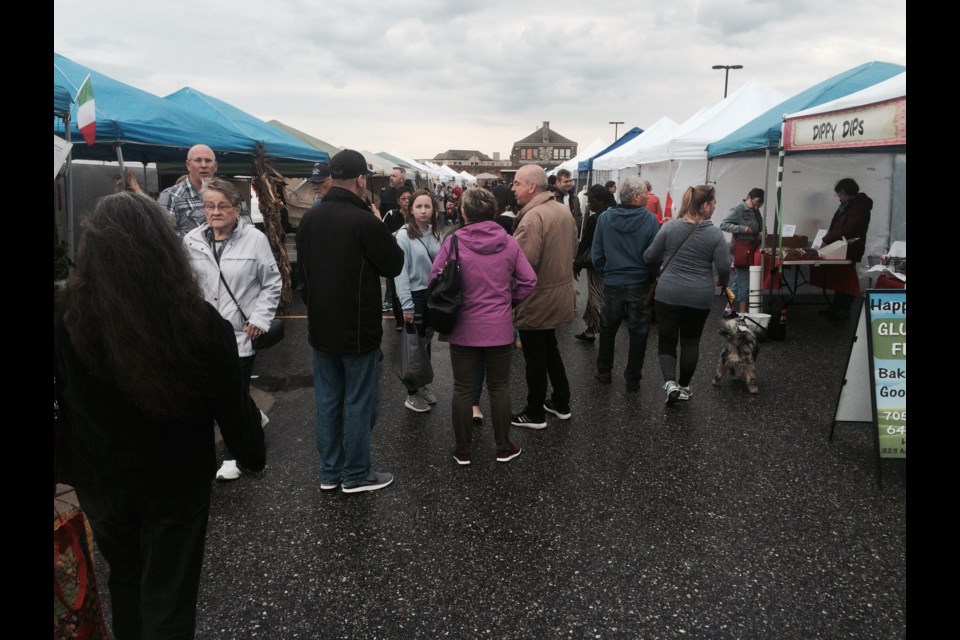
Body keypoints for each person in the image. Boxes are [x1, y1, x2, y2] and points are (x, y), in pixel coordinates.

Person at [54, 192, 266, 638]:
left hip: (101, 479)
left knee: (126, 577)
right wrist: (251, 453)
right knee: (170, 590)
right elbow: (232, 402)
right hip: (176, 482)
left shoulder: (64, 315)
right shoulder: (200, 322)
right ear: (165, 250)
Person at [296, 149, 404, 493]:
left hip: (320, 325)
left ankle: (330, 472)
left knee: (328, 401)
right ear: (361, 179)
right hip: (357, 326)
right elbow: (394, 265)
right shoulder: (363, 220)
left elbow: (305, 275)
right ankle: (356, 474)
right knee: (359, 401)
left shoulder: (311, 219)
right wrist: (378, 222)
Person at [184, 177, 281, 480]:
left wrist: (260, 319)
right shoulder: (191, 241)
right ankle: (251, 419)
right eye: (209, 206)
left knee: (230, 396)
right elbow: (184, 284)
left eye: (222, 206)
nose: (215, 212)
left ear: (237, 208)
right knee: (223, 393)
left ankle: (237, 456)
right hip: (203, 334)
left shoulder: (255, 239)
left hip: (240, 334)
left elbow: (271, 283)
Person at [432, 187, 537, 464]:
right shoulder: (509, 242)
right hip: (499, 326)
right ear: (493, 212)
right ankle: (503, 447)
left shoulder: (453, 242)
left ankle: (462, 450)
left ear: (464, 213)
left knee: (463, 389)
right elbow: (529, 281)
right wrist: (508, 302)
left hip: (463, 327)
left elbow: (435, 279)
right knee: (500, 387)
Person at [643, 185, 730, 405]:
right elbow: (723, 267)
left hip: (668, 293)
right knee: (691, 342)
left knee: (667, 340)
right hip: (699, 296)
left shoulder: (670, 227)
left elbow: (649, 256)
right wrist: (723, 282)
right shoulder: (715, 234)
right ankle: (684, 386)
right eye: (713, 203)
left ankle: (670, 383)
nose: (715, 207)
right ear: (704, 206)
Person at [509, 165, 578, 429]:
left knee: (535, 356)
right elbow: (573, 247)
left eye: (517, 183)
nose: (513, 188)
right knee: (549, 350)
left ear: (531, 187)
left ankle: (535, 412)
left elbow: (522, 264)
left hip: (536, 298)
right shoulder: (562, 210)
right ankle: (561, 402)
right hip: (558, 292)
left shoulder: (532, 217)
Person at [590, 176, 659, 392]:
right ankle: (632, 378)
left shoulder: (605, 218)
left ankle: (604, 371)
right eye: (645, 193)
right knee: (638, 332)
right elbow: (654, 255)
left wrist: (604, 270)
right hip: (639, 282)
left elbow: (597, 252)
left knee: (608, 328)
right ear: (637, 197)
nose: (649, 196)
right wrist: (650, 276)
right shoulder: (649, 220)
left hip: (612, 281)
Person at [395, 189, 443, 412]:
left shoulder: (435, 233)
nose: (423, 211)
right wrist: (406, 304)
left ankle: (423, 385)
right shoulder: (403, 235)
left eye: (427, 206)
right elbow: (400, 271)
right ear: (410, 209)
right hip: (415, 296)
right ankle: (411, 393)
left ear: (433, 209)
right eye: (419, 206)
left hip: (432, 295)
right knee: (414, 347)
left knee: (426, 344)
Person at [820, 178, 873, 321]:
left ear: (849, 193)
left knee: (846, 279)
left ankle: (842, 309)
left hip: (849, 248)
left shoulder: (858, 207)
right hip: (842, 247)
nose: (839, 197)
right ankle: (837, 307)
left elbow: (850, 229)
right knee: (841, 278)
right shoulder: (849, 205)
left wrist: (828, 239)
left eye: (841, 194)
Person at [573, 184, 612, 344]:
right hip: (610, 263)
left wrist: (576, 262)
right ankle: (590, 331)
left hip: (595, 264)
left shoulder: (595, 219)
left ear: (602, 201)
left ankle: (606, 328)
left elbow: (585, 244)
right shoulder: (614, 214)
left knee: (596, 297)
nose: (589, 204)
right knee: (594, 296)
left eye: (592, 201)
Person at [719, 187, 765, 315]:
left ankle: (728, 308)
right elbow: (723, 225)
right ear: (748, 197)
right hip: (742, 249)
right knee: (744, 281)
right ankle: (742, 312)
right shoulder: (739, 209)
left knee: (739, 281)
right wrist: (742, 229)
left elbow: (760, 226)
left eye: (760, 204)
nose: (757, 206)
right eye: (755, 202)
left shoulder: (755, 211)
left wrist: (761, 233)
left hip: (753, 247)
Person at [158, 143, 218, 237]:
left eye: (208, 161)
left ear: (215, 166)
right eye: (198, 160)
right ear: (188, 165)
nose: (203, 165)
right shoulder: (171, 196)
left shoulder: (226, 195)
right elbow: (163, 237)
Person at [382, 185, 415, 328]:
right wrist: (399, 234)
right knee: (395, 288)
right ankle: (399, 320)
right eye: (403, 198)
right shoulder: (391, 215)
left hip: (412, 257)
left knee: (411, 286)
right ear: (398, 201)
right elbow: (383, 235)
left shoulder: (416, 215)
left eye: (409, 198)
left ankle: (411, 315)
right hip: (394, 255)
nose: (406, 201)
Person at [555, 168, 583, 233]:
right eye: (565, 181)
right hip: (558, 235)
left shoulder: (575, 198)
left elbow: (579, 215)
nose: (568, 184)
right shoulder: (553, 198)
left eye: (570, 181)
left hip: (573, 234)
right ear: (558, 183)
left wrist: (577, 225)